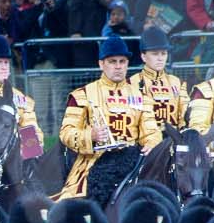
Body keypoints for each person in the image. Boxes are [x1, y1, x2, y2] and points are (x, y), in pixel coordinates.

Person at [56, 33, 162, 200]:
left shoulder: (141, 97)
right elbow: (66, 133)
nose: (118, 66)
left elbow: (151, 131)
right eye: (112, 62)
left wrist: (152, 143)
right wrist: (90, 135)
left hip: (133, 161)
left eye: (122, 62)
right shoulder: (82, 95)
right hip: (94, 162)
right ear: (101, 64)